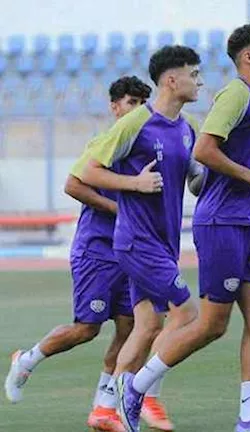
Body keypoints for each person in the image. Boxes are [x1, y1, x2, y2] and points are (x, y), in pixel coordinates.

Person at [114, 25, 250, 432]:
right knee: (211, 324)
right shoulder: (236, 95)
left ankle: (249, 420)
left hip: (249, 221)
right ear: (248, 57)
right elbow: (205, 150)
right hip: (222, 221)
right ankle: (135, 387)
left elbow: (208, 167)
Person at [3, 76, 170, 432]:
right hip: (97, 249)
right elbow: (73, 185)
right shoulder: (103, 143)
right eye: (131, 102)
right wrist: (119, 209)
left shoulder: (146, 147)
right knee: (86, 328)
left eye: (143, 103)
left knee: (130, 327)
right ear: (115, 107)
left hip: (130, 250)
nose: (137, 110)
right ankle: (26, 360)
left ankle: (102, 409)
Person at [78, 45, 205, 432]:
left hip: (164, 242)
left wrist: (220, 176)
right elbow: (88, 172)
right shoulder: (135, 123)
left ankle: (105, 409)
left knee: (147, 325)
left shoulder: (187, 127)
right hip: (137, 240)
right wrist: (134, 183)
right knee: (188, 314)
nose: (200, 82)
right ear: (172, 80)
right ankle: (139, 392)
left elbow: (195, 181)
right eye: (194, 74)